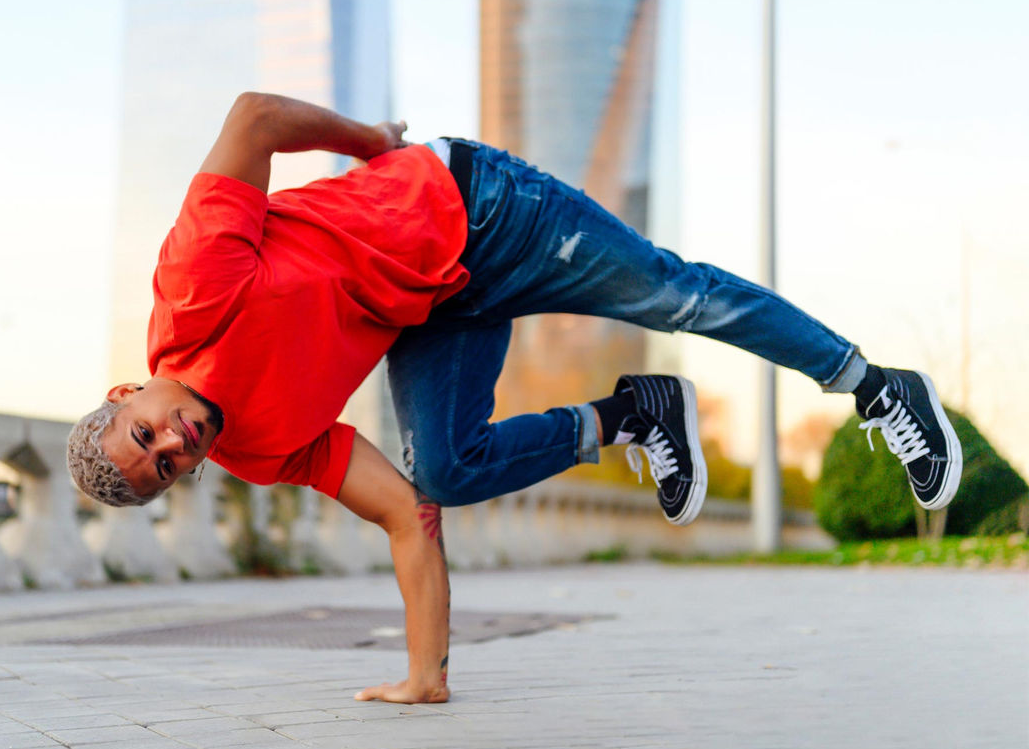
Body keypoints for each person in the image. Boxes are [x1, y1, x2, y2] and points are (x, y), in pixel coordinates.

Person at [67, 92, 962, 704]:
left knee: (672, 293)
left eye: (144, 433)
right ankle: (632, 415)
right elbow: (407, 514)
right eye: (166, 468)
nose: (172, 444)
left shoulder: (193, 289)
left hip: (480, 206)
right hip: (436, 307)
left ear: (127, 392)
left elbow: (252, 116)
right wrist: (427, 676)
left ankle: (876, 387)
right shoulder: (256, 449)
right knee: (445, 470)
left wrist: (375, 144)